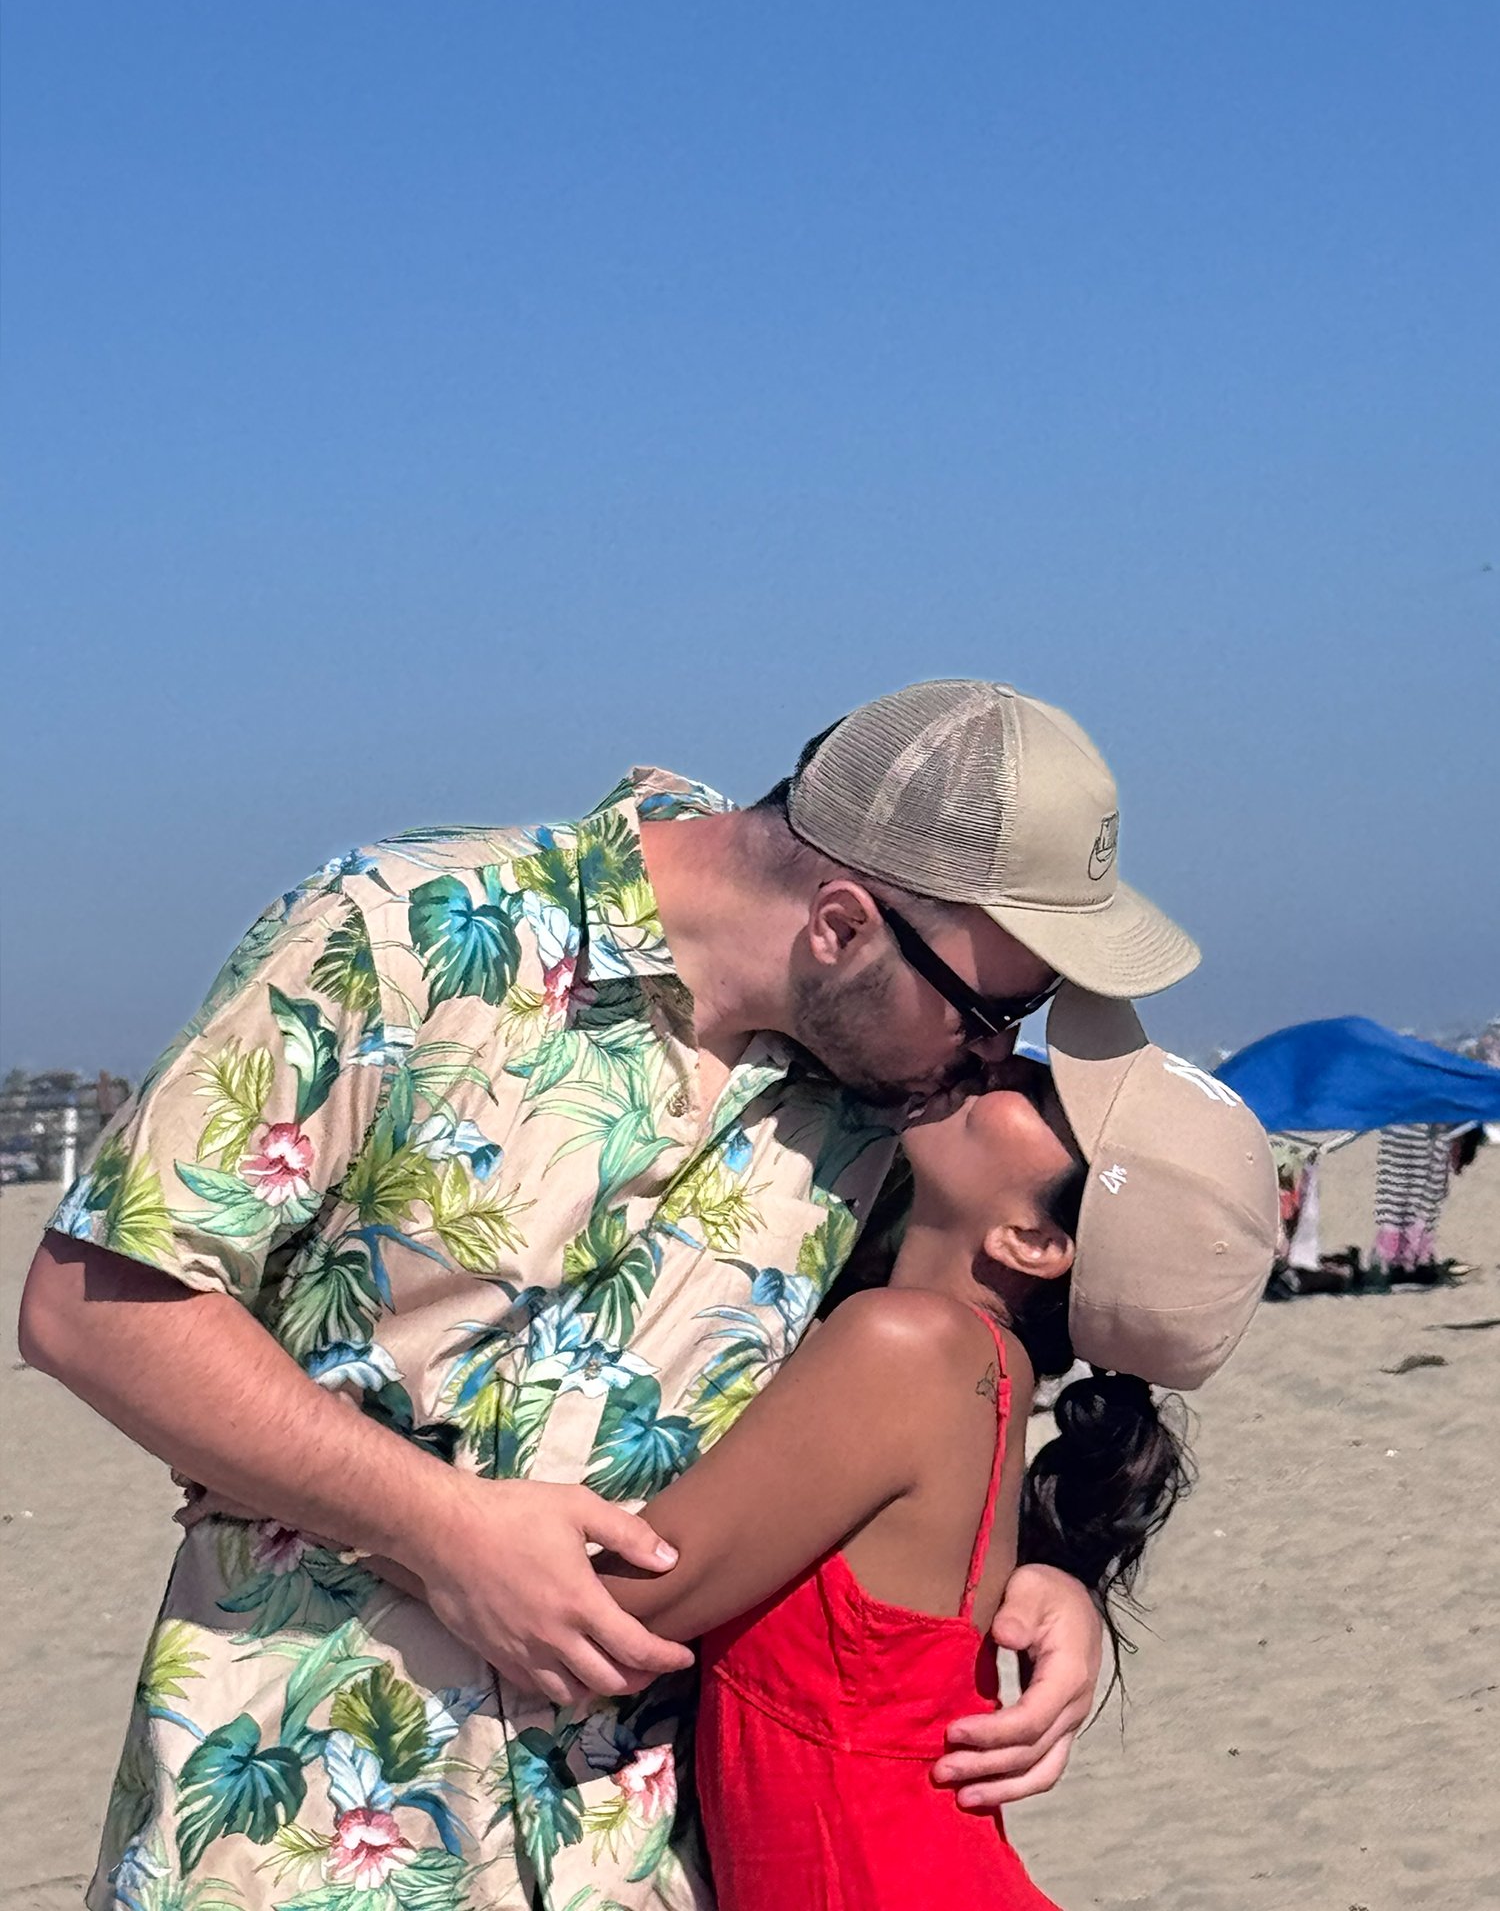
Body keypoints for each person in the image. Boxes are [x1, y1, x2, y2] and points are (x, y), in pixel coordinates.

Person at [19, 679, 1201, 1905]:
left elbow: (933, 1397)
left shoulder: (893, 1106)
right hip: (295, 1821)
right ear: (843, 924)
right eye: (996, 1008)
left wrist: (1048, 1573)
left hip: (633, 1857)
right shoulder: (400, 933)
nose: (999, 1052)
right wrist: (435, 1520)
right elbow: (91, 1301)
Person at [180, 992, 1278, 1909]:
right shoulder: (978, 1370)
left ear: (1033, 1241)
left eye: (1040, 1098)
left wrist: (289, 1488)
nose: (1007, 1064)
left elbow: (614, 1614)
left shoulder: (907, 1346)